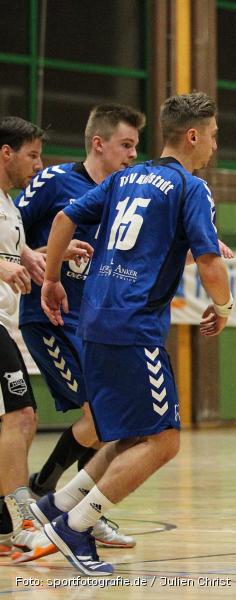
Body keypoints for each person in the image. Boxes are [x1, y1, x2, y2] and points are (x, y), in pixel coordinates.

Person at [31, 91, 233, 576]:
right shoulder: (190, 187)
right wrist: (223, 307)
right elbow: (209, 261)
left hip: (95, 320)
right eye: (212, 135)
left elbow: (64, 218)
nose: (213, 146)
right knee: (163, 441)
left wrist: (53, 278)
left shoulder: (125, 178)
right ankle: (75, 525)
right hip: (133, 324)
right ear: (192, 135)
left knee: (126, 436)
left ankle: (57, 507)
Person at [16, 104, 146, 551]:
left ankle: (67, 505)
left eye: (135, 146)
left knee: (105, 420)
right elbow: (11, 232)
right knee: (98, 416)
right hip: (48, 316)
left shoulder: (121, 197)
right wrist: (48, 255)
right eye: (126, 145)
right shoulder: (54, 182)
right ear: (98, 143)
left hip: (92, 324)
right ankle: (60, 503)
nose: (132, 155)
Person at [0, 117, 91, 557]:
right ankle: (20, 518)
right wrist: (4, 268)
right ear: (6, 153)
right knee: (20, 417)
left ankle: (8, 517)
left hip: (5, 323)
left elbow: (18, 255)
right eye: (32, 155)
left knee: (19, 418)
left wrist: (47, 257)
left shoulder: (9, 208)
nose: (38, 165)